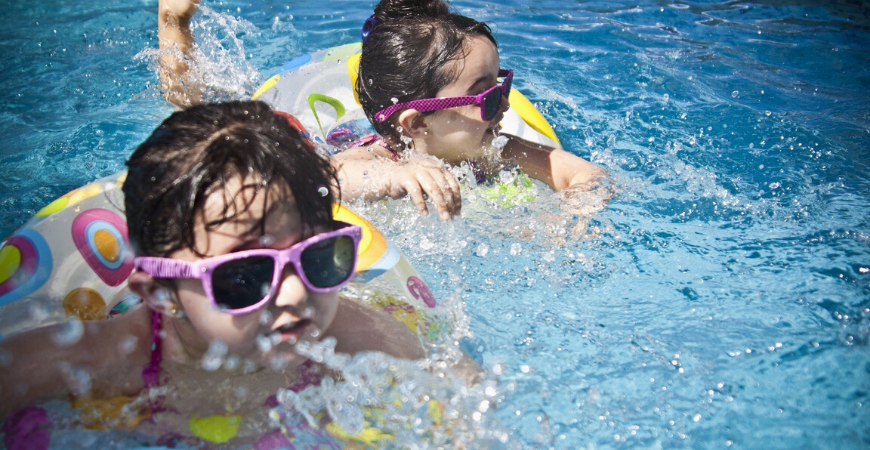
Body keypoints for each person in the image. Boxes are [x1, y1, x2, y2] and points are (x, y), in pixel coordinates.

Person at [0, 101, 425, 446]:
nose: (295, 293)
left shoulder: (363, 343)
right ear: (161, 293)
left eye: (317, 257)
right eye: (245, 276)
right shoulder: (91, 365)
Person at [156, 0, 605, 221]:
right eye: (486, 97)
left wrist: (571, 217)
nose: (503, 106)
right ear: (415, 123)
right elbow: (314, 185)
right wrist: (389, 178)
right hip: (333, 140)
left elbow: (586, 175)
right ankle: (174, 24)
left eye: (502, 87)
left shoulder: (496, 148)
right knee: (203, 120)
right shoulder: (378, 159)